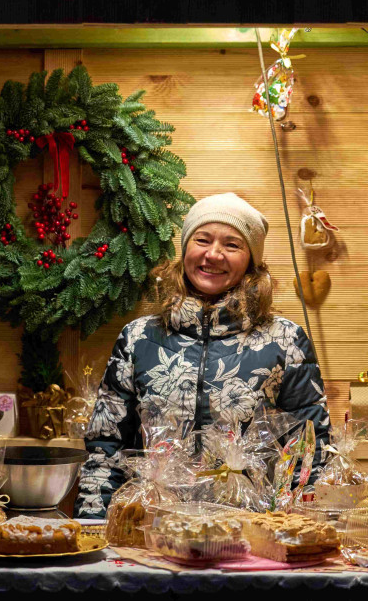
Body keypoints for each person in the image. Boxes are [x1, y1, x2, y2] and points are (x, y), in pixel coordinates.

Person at [75, 192, 331, 517]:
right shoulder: (139, 338)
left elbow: (311, 448)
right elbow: (105, 446)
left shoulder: (285, 340)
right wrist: (92, 529)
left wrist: (304, 538)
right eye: (203, 239)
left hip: (251, 538)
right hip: (149, 533)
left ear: (252, 261)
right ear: (185, 250)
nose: (213, 254)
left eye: (232, 245)